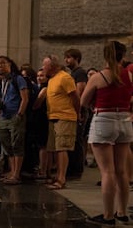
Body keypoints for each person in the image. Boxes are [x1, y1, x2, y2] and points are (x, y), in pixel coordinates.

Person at [83, 41, 132, 226]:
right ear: (123, 55)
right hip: (125, 119)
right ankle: (122, 213)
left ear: (105, 55)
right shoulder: (129, 75)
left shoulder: (98, 76)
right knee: (122, 172)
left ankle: (108, 215)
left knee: (107, 172)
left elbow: (83, 101)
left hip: (104, 119)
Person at [42, 54, 79, 190]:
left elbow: (75, 97)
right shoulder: (52, 79)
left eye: (44, 65)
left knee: (62, 148)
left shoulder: (65, 77)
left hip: (65, 117)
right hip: (53, 117)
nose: (42, 68)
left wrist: (78, 113)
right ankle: (56, 176)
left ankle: (61, 179)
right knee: (55, 149)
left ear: (52, 66)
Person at [0, 56, 28, 185]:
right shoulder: (0, 82)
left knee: (17, 144)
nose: (0, 66)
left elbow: (25, 98)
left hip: (15, 115)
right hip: (3, 116)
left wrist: (20, 114)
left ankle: (16, 174)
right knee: (7, 144)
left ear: (9, 64)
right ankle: (11, 171)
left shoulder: (18, 79)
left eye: (3, 63)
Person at [64, 48, 88, 179]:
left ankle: (76, 170)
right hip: (72, 110)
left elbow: (80, 91)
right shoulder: (72, 73)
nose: (66, 60)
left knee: (76, 140)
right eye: (65, 57)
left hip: (78, 110)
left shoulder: (80, 73)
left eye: (69, 57)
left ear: (76, 59)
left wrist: (77, 110)